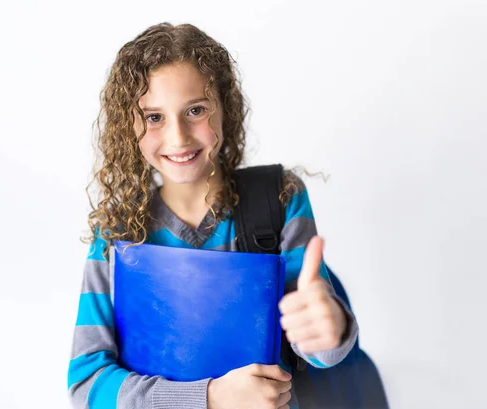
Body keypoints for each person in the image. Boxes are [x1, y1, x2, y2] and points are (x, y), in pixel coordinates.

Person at [67, 22, 359, 409]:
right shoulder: (118, 232)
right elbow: (87, 385)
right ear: (129, 125)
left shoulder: (279, 199)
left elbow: (318, 347)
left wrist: (330, 329)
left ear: (225, 107)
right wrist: (209, 397)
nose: (178, 137)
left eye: (195, 110)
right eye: (154, 117)